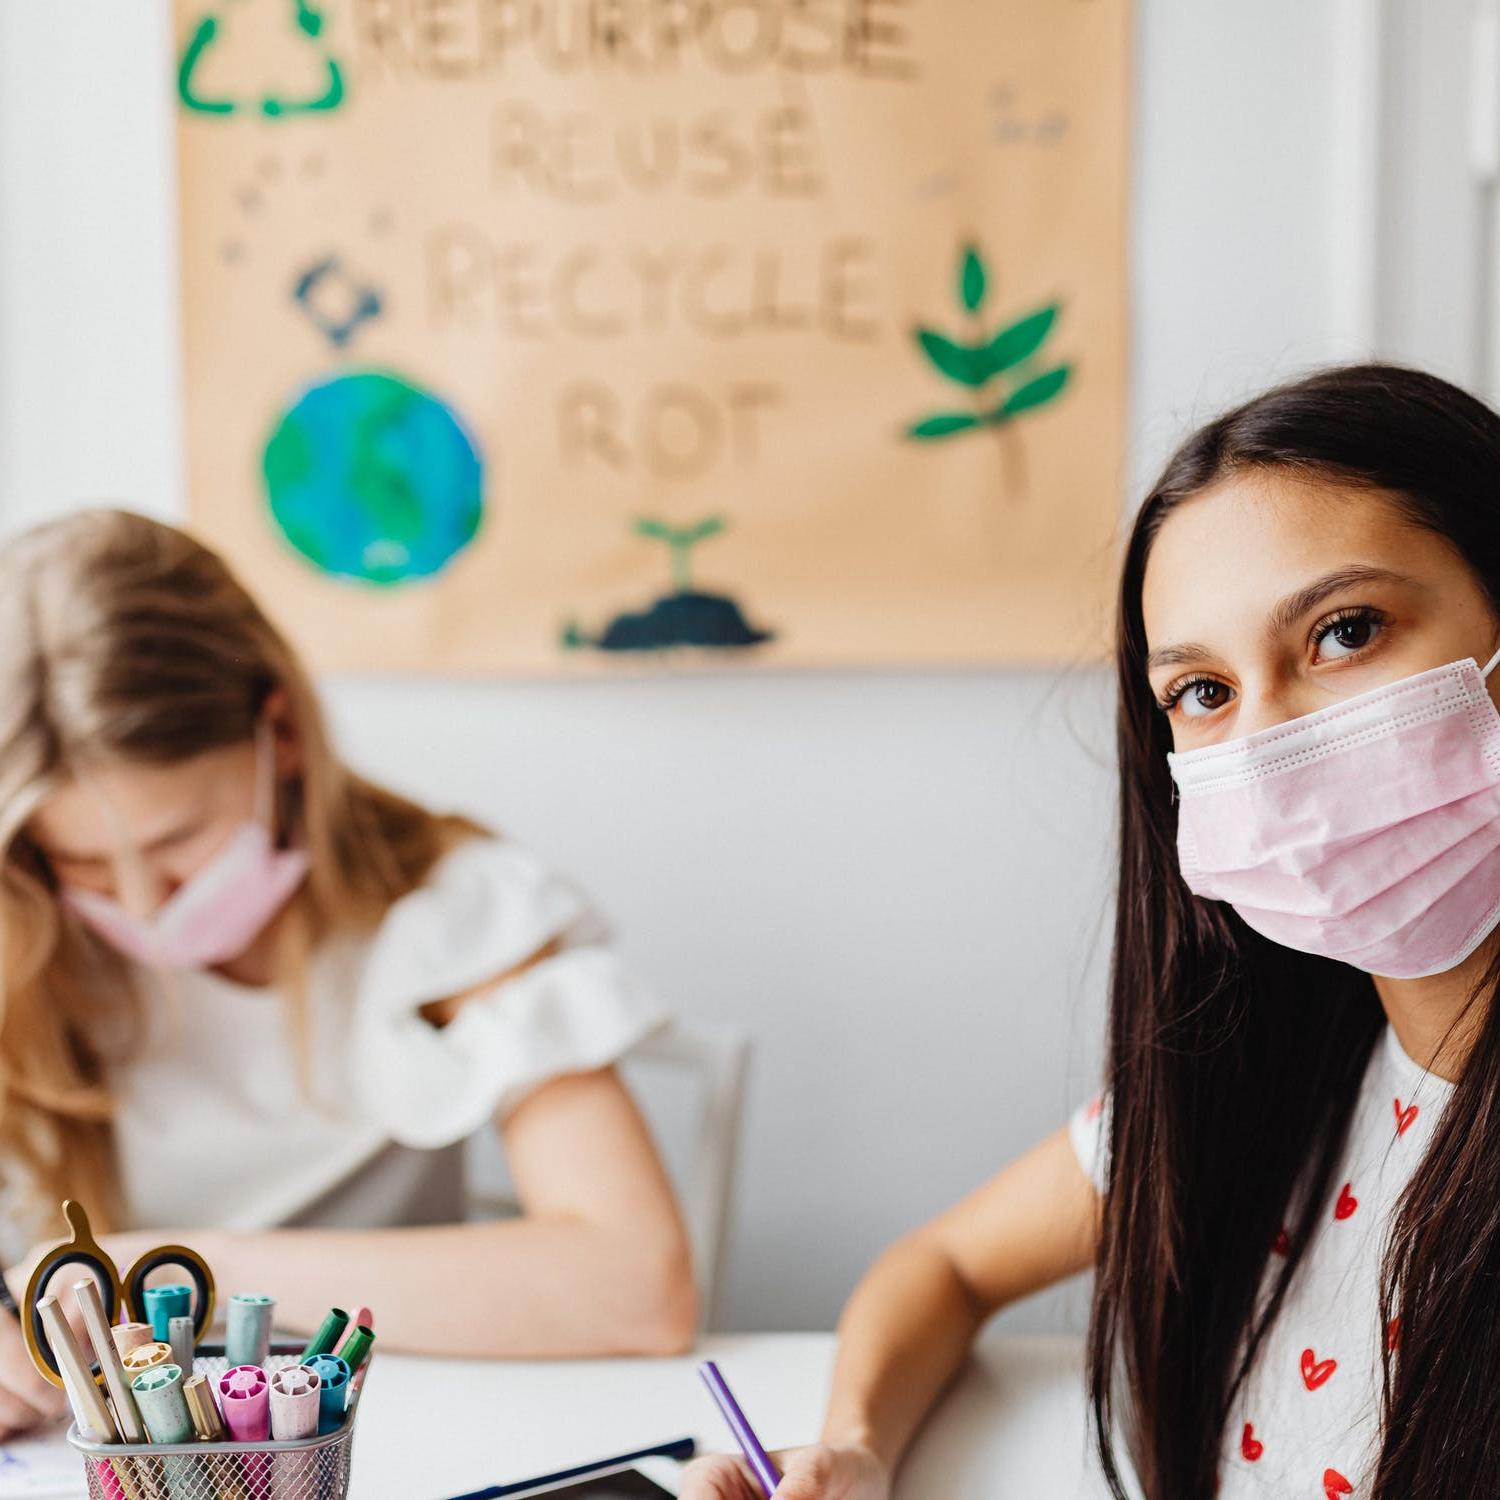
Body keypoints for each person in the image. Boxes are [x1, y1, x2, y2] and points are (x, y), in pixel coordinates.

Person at [684, 363, 1500, 1498]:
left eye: (1345, 631)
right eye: (1203, 693)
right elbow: (946, 1266)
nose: (1267, 746)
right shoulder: (1272, 1073)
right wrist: (858, 1450)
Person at [0, 509, 696, 1439]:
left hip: (380, 1431)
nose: (142, 905)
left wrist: (195, 1270)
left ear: (277, 731)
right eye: (82, 864)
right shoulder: (24, 927)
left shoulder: (451, 911)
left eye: (176, 845)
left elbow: (637, 1284)